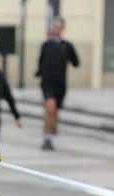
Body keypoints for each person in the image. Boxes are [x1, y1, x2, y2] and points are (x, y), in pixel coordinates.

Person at [36, 17, 79, 151]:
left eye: (60, 26)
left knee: (54, 112)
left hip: (60, 84)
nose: (57, 29)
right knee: (50, 108)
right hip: (47, 82)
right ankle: (47, 139)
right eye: (55, 26)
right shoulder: (46, 44)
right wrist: (40, 72)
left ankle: (51, 130)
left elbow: (76, 62)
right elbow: (41, 62)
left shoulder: (67, 46)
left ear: (63, 29)